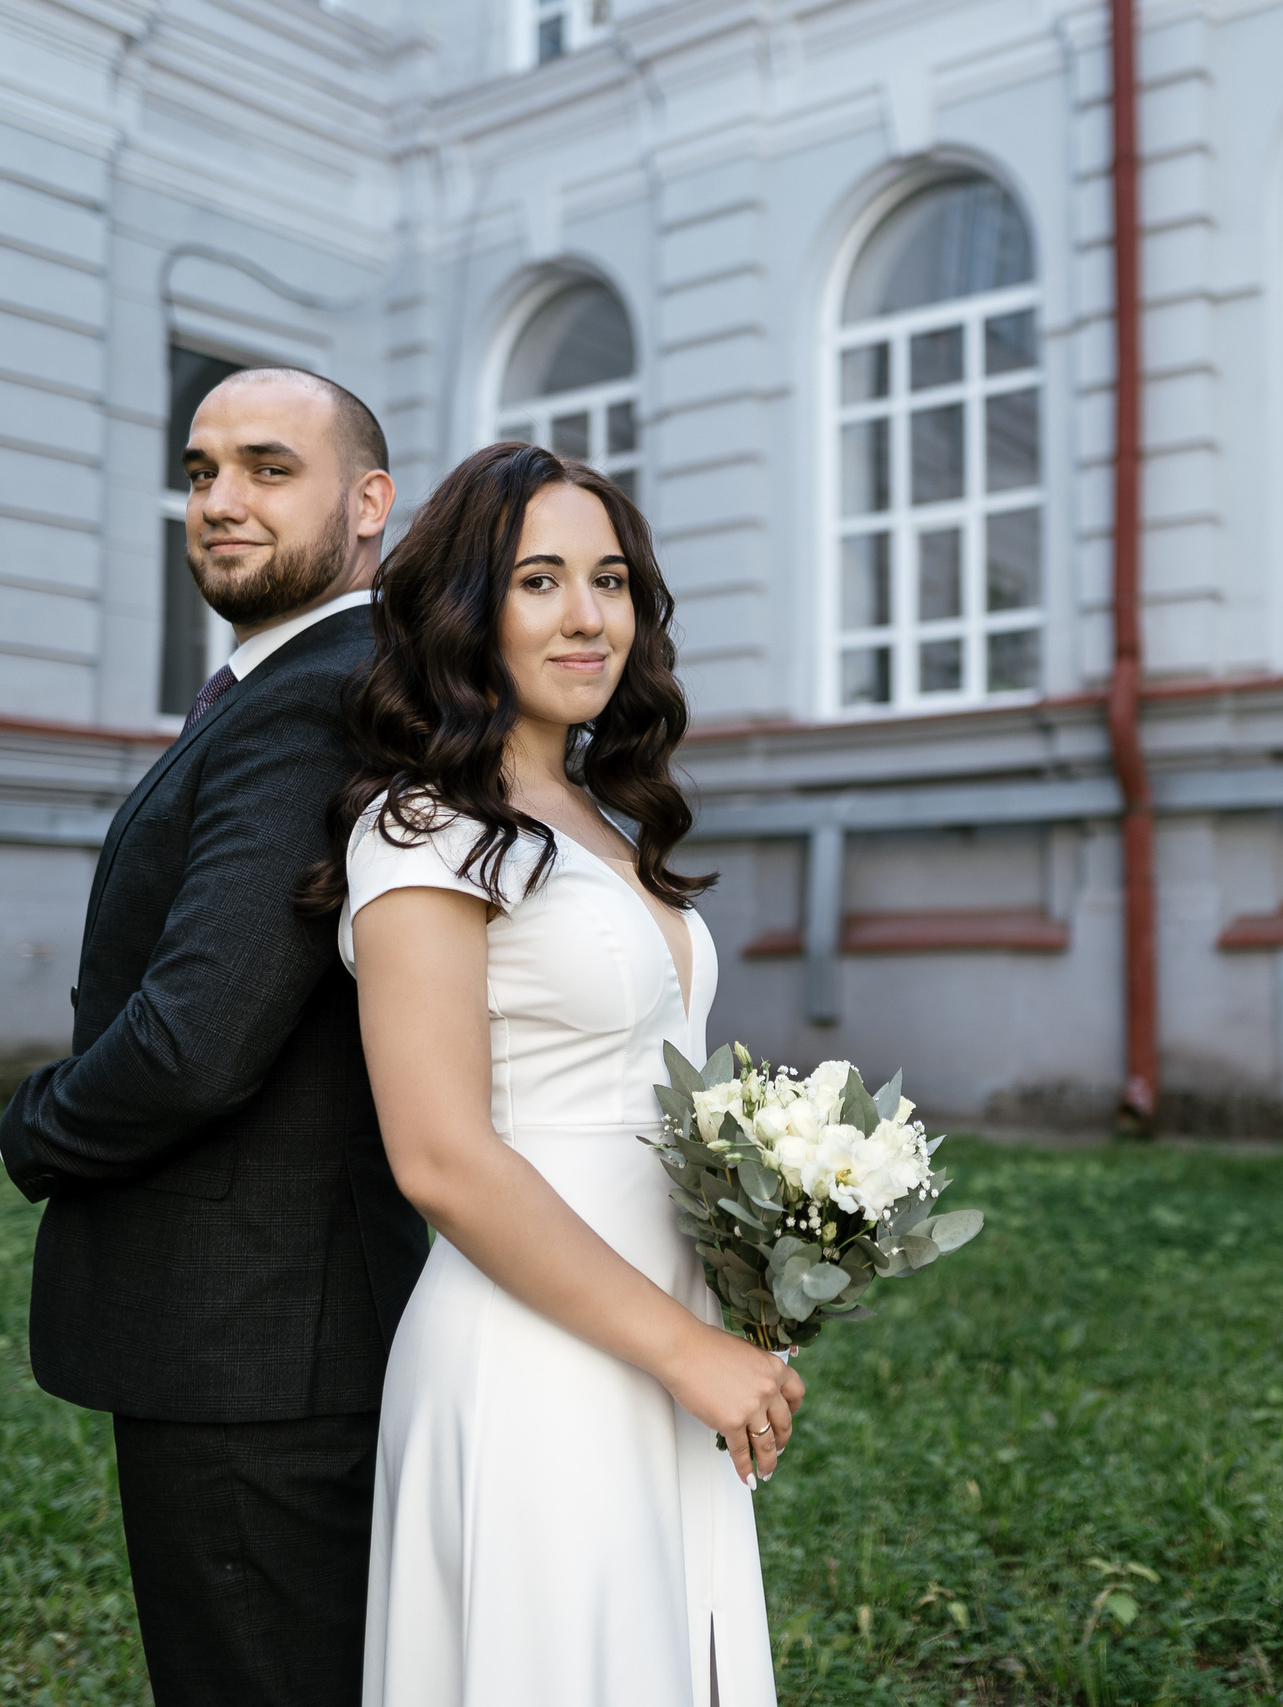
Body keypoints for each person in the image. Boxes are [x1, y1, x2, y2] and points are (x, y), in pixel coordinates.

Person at [295, 440, 804, 1706]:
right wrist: (683, 1349)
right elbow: (442, 1159)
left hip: (659, 1329)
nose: (589, 616)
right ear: (469, 612)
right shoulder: (421, 833)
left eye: (612, 579)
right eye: (539, 581)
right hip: (531, 1359)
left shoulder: (600, 819)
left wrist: (760, 1253)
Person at [0, 368, 425, 1707]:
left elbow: (197, 1034)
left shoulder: (318, 694)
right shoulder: (289, 682)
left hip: (255, 1342)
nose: (220, 501)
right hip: (280, 1322)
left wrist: (38, 1125)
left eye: (265, 467)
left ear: (368, 504)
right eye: (198, 471)